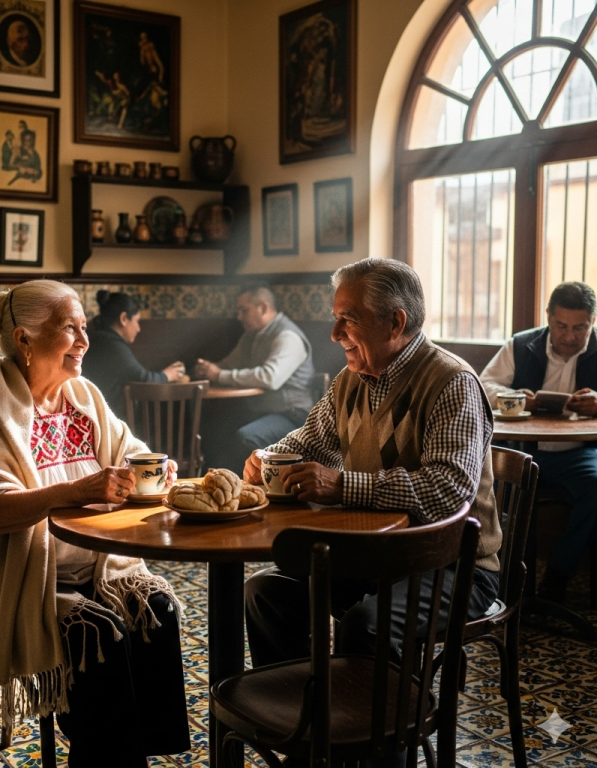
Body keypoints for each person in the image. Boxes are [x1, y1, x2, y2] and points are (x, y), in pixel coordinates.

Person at [243, 259, 501, 766]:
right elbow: (307, 441)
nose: (335, 331)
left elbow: (449, 491)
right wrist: (268, 458)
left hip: (455, 566)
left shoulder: (451, 383)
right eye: (337, 317)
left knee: (368, 623)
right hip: (378, 556)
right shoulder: (350, 379)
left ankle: (375, 754)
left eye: (349, 319)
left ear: (396, 323)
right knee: (267, 594)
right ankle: (312, 740)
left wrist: (344, 485)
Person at [0, 280, 190, 767]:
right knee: (100, 632)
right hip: (0, 577)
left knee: (157, 609)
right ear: (25, 340)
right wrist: (76, 491)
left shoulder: (82, 395)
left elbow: (127, 449)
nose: (84, 339)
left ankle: (141, 752)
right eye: (68, 328)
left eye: (84, 327)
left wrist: (152, 466)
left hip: (83, 568)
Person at [480, 281, 597, 602]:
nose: (570, 336)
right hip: (524, 450)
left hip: (580, 452)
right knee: (507, 489)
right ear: (548, 317)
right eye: (561, 326)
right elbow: (483, 385)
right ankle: (511, 584)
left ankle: (559, 573)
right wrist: (515, 397)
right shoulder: (521, 344)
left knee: (596, 487)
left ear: (592, 322)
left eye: (580, 327)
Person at [194, 284, 315, 473]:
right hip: (261, 411)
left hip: (293, 415)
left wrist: (218, 375)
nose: (239, 317)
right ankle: (216, 486)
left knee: (245, 437)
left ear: (263, 308)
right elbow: (228, 364)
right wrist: (207, 369)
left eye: (244, 310)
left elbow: (269, 377)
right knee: (213, 430)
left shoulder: (288, 336)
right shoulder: (250, 336)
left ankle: (241, 491)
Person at [80, 291, 186, 420]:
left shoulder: (99, 336)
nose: (139, 328)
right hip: (101, 419)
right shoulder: (111, 345)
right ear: (124, 318)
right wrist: (169, 374)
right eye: (137, 321)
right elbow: (143, 379)